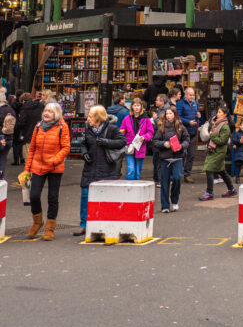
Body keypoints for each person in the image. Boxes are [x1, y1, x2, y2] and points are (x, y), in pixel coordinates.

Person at [74, 105, 127, 236]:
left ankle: (105, 224)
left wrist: (106, 142)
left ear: (98, 118)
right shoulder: (88, 129)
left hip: (107, 169)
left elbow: (122, 141)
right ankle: (83, 224)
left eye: (91, 116)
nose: (88, 119)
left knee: (106, 198)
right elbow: (83, 143)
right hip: (90, 168)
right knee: (85, 196)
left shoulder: (112, 129)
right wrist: (84, 152)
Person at [24, 100, 71, 240]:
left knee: (52, 197)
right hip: (38, 166)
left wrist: (54, 160)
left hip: (55, 167)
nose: (46, 113)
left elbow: (66, 148)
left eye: (50, 111)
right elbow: (32, 148)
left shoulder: (62, 127)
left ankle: (50, 228)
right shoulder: (38, 126)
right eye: (45, 111)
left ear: (56, 114)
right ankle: (37, 222)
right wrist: (27, 169)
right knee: (33, 195)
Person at [153, 104, 189, 212]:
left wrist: (181, 147)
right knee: (164, 182)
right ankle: (165, 206)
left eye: (170, 113)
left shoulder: (181, 127)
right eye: (167, 113)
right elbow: (155, 141)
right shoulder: (161, 127)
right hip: (165, 159)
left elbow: (186, 140)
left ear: (175, 114)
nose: (168, 116)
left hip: (177, 158)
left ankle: (175, 200)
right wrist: (164, 144)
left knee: (177, 178)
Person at [199, 103, 236, 200]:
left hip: (218, 151)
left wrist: (212, 135)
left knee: (209, 169)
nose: (217, 114)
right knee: (221, 171)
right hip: (214, 150)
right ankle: (231, 189)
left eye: (219, 112)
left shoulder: (225, 127)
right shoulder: (218, 123)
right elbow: (213, 129)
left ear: (224, 115)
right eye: (217, 112)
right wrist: (212, 123)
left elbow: (222, 141)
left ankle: (209, 192)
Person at [120, 97, 154, 180]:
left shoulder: (146, 119)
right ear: (132, 107)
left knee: (138, 172)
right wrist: (123, 141)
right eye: (135, 105)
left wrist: (145, 137)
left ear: (141, 107)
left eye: (138, 105)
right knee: (131, 169)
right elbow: (121, 132)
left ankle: (137, 190)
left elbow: (151, 132)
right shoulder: (127, 119)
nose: (136, 107)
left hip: (140, 147)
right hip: (129, 147)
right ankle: (129, 189)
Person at [176, 86, 199, 183]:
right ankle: (177, 174)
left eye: (193, 95)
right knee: (182, 154)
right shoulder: (180, 103)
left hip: (193, 133)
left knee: (191, 154)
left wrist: (198, 116)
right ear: (185, 95)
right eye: (190, 95)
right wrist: (188, 122)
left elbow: (196, 116)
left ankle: (187, 174)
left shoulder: (195, 103)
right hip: (183, 134)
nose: (192, 97)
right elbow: (178, 117)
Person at [15, 92, 43, 161]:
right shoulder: (40, 105)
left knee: (28, 156)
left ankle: (30, 170)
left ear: (23, 101)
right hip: (40, 133)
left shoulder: (24, 108)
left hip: (27, 134)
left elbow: (22, 122)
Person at [151, 93, 168, 185]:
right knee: (156, 160)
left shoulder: (165, 111)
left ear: (162, 101)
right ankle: (157, 178)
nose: (155, 101)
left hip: (161, 138)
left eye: (157, 100)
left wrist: (155, 119)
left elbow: (162, 124)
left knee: (159, 160)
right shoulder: (160, 109)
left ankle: (160, 180)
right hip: (157, 137)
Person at [0, 88, 16, 180]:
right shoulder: (10, 110)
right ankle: (1, 177)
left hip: (1, 137)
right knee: (3, 158)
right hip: (9, 137)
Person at [11, 91, 28, 165]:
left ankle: (16, 160)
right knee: (22, 142)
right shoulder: (25, 106)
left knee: (15, 143)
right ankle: (22, 158)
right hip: (23, 125)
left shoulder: (13, 104)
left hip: (16, 124)